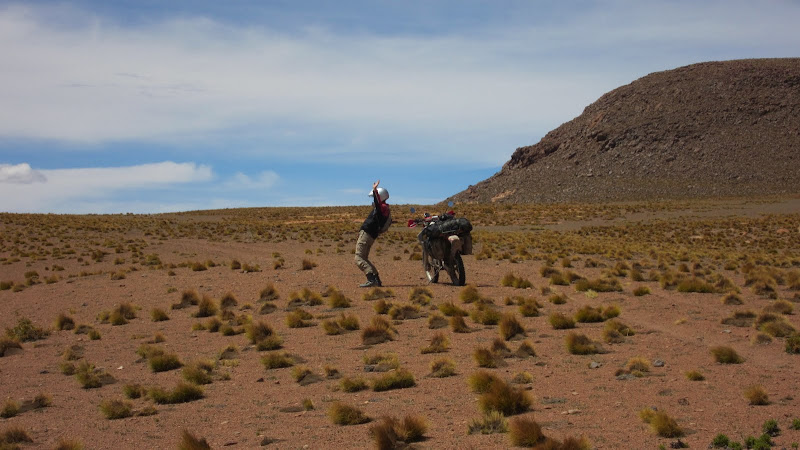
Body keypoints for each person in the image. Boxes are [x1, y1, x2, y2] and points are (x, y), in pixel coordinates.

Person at [355, 180, 391, 287]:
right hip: (370, 235)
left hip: (367, 234)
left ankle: (371, 279)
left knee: (358, 258)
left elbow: (378, 203)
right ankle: (377, 280)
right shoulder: (385, 209)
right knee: (364, 258)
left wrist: (375, 190)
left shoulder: (382, 208)